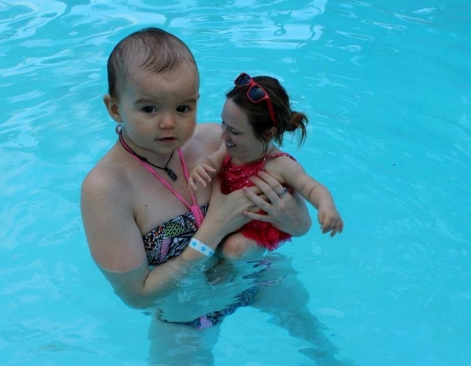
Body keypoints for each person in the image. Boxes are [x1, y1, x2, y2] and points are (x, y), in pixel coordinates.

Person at [81, 27, 345, 365]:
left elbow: (297, 212)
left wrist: (297, 220)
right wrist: (211, 232)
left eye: (182, 108)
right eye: (149, 109)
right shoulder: (106, 190)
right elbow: (137, 296)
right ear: (115, 108)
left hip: (258, 274)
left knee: (323, 349)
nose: (168, 124)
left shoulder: (217, 142)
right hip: (186, 317)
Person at [188, 72, 344, 259]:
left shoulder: (281, 165)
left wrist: (327, 207)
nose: (223, 136)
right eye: (223, 124)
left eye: (234, 131)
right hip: (232, 218)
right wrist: (201, 165)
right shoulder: (228, 150)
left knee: (233, 249)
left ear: (268, 134)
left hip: (258, 230)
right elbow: (211, 161)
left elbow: (312, 188)